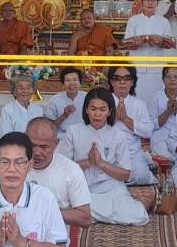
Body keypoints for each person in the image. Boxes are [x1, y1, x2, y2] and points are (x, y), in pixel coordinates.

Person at [22, 118, 93, 247]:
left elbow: (85, 218)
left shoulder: (70, 170)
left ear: (56, 144)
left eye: (44, 147)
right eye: (32, 145)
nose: (37, 152)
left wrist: (45, 210)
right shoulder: (12, 165)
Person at [62, 88, 152, 226]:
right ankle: (106, 213)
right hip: (81, 188)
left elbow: (125, 174)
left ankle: (139, 205)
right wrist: (88, 162)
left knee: (137, 217)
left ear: (109, 111)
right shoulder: (73, 131)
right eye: (93, 108)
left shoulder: (117, 135)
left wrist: (101, 163)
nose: (97, 114)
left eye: (102, 109)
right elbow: (63, 168)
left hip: (110, 188)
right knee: (65, 207)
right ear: (86, 109)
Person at [121, 0, 177, 107]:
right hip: (137, 65)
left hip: (156, 67)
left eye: (153, 0)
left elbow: (170, 44)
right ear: (142, 2)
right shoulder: (133, 20)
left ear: (157, 3)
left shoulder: (163, 21)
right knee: (136, 99)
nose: (150, 2)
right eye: (147, 0)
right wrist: (137, 42)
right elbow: (126, 44)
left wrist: (159, 42)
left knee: (156, 100)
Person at [104, 64, 155, 184]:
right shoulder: (104, 102)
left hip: (131, 152)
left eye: (126, 78)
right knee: (101, 175)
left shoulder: (139, 104)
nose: (122, 82)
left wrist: (126, 119)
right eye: (117, 78)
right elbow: (94, 127)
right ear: (111, 82)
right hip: (108, 150)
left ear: (132, 82)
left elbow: (148, 131)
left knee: (141, 175)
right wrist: (114, 117)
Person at [147, 64, 177, 134]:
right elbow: (150, 126)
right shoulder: (155, 97)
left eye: (175, 77)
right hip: (161, 137)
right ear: (163, 79)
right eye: (168, 77)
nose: (172, 79)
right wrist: (168, 111)